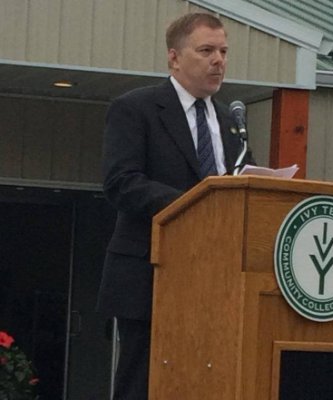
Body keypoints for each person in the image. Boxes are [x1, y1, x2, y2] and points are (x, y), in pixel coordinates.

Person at [97, 12, 252, 400]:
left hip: (218, 280)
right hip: (152, 274)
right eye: (206, 50)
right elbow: (121, 182)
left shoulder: (230, 122)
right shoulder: (137, 109)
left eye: (223, 51)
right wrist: (197, 205)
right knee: (143, 383)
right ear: (174, 58)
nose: (219, 60)